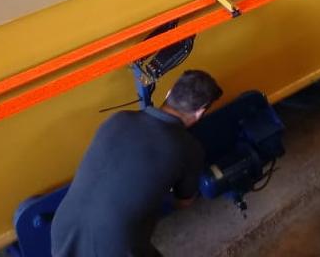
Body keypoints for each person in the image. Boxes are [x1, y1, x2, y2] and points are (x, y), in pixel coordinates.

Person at [51, 70, 223, 257]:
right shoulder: (189, 149)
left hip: (63, 228)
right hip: (114, 246)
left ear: (169, 92)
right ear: (200, 112)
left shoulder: (119, 118)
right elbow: (183, 203)